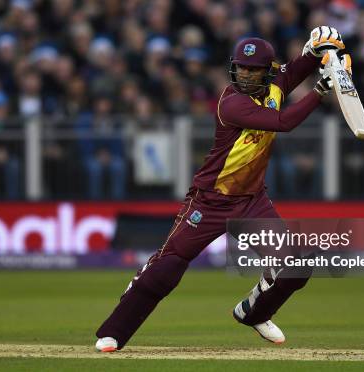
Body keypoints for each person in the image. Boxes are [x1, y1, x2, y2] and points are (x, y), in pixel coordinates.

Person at [95, 27, 349, 352]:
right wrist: (321, 90)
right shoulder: (231, 103)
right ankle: (115, 331)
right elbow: (284, 123)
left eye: (253, 69)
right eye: (241, 68)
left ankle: (253, 312)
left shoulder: (275, 85)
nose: (245, 74)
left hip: (252, 202)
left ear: (266, 71)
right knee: (168, 268)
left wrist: (316, 50)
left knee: (295, 267)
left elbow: (294, 70)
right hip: (210, 202)